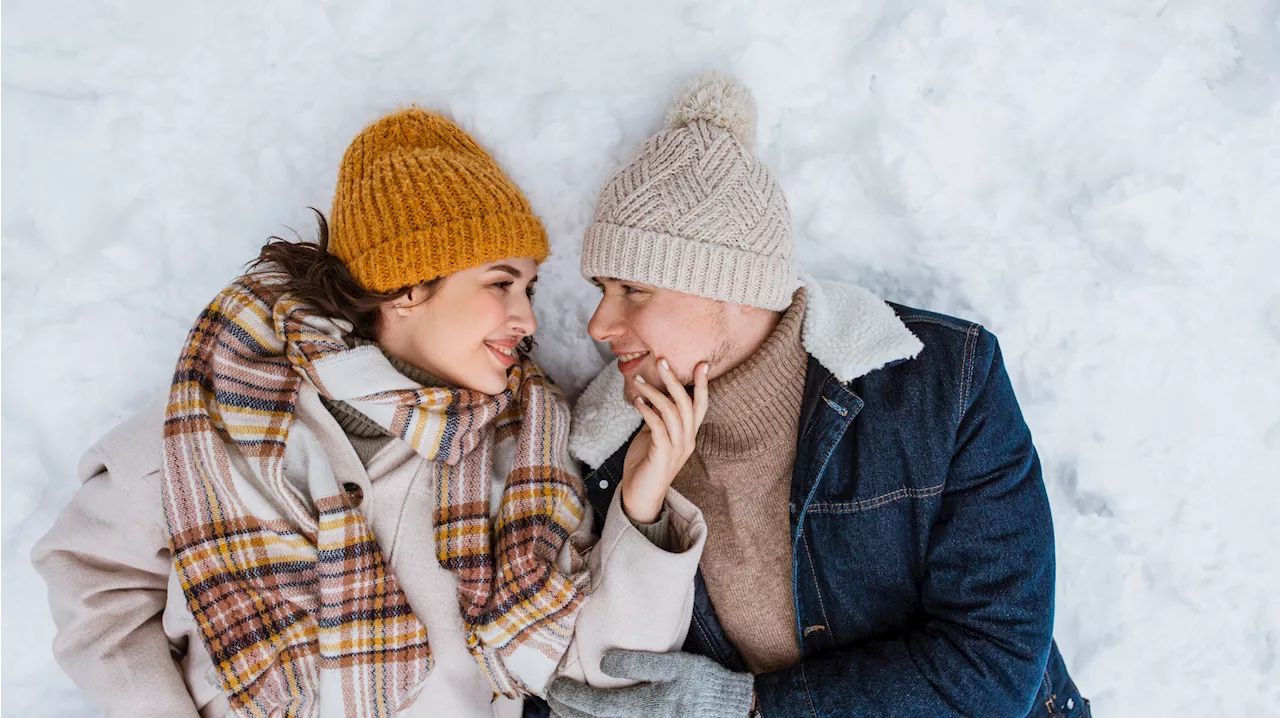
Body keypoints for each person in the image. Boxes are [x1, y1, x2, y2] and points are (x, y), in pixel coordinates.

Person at [32, 107, 711, 718]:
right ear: (406, 287)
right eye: (501, 282)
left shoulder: (524, 445)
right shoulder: (219, 404)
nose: (526, 317)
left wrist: (642, 504)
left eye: (529, 287)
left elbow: (606, 673)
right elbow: (94, 573)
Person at [547, 73, 1090, 717]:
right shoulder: (603, 451)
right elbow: (588, 683)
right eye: (599, 290)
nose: (598, 326)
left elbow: (991, 665)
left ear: (732, 286)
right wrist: (639, 518)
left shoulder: (941, 385)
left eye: (632, 290)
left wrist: (751, 707)